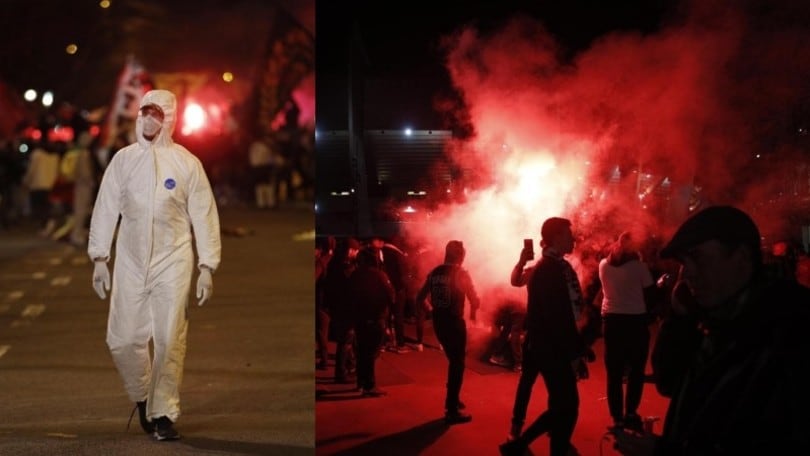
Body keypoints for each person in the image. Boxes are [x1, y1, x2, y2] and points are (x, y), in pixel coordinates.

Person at [612, 205, 810, 455]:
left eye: (698, 258)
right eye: (684, 262)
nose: (687, 273)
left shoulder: (792, 333)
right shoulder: (714, 317)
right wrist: (680, 319)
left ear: (741, 258)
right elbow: (669, 382)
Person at [88, 89, 221, 441]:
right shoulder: (123, 161)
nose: (149, 120)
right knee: (122, 339)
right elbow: (105, 208)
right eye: (145, 112)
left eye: (157, 114)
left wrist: (207, 265)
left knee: (168, 338)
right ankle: (145, 395)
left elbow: (204, 215)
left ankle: (162, 413)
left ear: (169, 120)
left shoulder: (187, 164)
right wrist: (100, 257)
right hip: (130, 261)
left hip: (173, 260)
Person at [500, 217, 588, 456]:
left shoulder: (551, 266)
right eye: (569, 234)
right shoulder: (549, 268)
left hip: (544, 342)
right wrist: (575, 352)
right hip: (550, 345)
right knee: (564, 404)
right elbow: (560, 316)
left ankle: (525, 441)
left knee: (561, 402)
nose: (574, 238)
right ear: (558, 237)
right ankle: (520, 439)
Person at [415, 240, 480, 424]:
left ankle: (453, 399)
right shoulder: (461, 273)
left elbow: (419, 298)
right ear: (461, 255)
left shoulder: (435, 272)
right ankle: (451, 408)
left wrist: (431, 310)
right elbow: (474, 300)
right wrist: (474, 312)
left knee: (453, 361)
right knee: (457, 364)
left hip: (439, 323)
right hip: (454, 324)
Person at [598, 231, 655, 433]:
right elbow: (650, 292)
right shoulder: (639, 267)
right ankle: (630, 412)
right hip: (635, 322)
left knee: (614, 373)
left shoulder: (604, 264)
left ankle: (617, 419)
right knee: (636, 371)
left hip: (612, 321)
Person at [348, 247, 395, 397]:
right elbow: (391, 296)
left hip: (359, 319)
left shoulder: (354, 274)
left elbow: (348, 295)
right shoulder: (380, 275)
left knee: (362, 352)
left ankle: (361, 383)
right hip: (375, 318)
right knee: (371, 353)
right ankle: (370, 386)